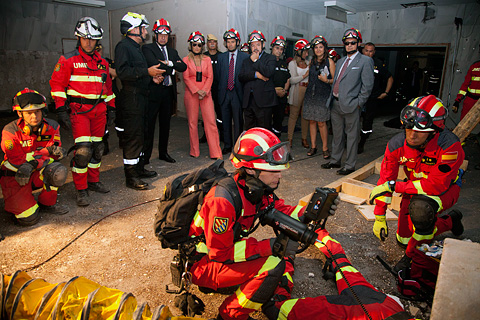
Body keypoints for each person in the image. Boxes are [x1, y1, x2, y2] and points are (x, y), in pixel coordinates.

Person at [188, 127, 305, 320]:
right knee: (273, 264)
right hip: (203, 263)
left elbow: (280, 209)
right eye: (273, 170)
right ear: (251, 168)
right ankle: (230, 314)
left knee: (280, 259)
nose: (280, 175)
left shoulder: (253, 188)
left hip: (219, 255)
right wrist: (271, 246)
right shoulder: (223, 201)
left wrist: (311, 212)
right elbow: (220, 253)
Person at [369, 95, 465, 272]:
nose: (412, 135)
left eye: (419, 131)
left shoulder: (450, 146)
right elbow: (385, 179)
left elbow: (437, 185)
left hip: (444, 190)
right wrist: (380, 215)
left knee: (421, 212)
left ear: (435, 130)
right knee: (403, 239)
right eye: (408, 129)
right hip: (413, 188)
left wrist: (395, 186)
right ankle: (450, 221)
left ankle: (413, 258)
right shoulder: (396, 145)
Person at [263, 229, 411, 320]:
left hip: (389, 306)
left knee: (342, 264)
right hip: (366, 313)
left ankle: (318, 233)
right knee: (275, 307)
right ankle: (286, 255)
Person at [50, 17, 115, 206]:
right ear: (78, 38)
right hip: (80, 112)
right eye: (85, 38)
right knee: (83, 152)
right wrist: (61, 109)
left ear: (97, 41)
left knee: (98, 150)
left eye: (93, 39)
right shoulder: (68, 60)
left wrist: (111, 108)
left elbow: (109, 89)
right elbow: (57, 85)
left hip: (99, 112)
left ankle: (94, 181)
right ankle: (81, 189)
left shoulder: (102, 63)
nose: (89, 42)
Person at [1, 88, 68, 226]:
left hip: (35, 172)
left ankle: (46, 203)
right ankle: (21, 204)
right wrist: (45, 152)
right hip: (16, 176)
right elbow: (16, 159)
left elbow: (53, 155)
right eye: (29, 113)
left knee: (57, 170)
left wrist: (32, 162)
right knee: (29, 220)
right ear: (20, 113)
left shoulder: (52, 126)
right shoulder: (10, 131)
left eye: (37, 112)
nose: (34, 117)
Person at [115, 12, 165, 190]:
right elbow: (123, 72)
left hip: (142, 97)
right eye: (143, 28)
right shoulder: (123, 47)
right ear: (133, 29)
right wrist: (147, 72)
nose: (145, 31)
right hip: (131, 99)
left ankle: (139, 167)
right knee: (133, 137)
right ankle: (131, 177)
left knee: (143, 133)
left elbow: (138, 72)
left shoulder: (137, 48)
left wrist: (152, 78)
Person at [321, 28, 374, 175]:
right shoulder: (340, 61)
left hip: (352, 105)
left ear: (358, 44)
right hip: (336, 103)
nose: (350, 45)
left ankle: (350, 165)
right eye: (347, 43)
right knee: (337, 135)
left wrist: (358, 103)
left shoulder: (365, 61)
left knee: (352, 137)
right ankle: (335, 160)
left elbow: (367, 86)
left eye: (353, 43)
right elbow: (337, 80)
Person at [142, 18, 187, 165]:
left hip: (168, 93)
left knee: (165, 125)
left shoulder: (173, 51)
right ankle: (146, 155)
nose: (163, 37)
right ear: (155, 35)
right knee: (149, 125)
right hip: (153, 92)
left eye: (166, 34)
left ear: (168, 35)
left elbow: (184, 67)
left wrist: (170, 65)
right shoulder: (148, 48)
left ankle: (163, 153)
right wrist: (173, 70)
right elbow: (156, 66)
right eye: (160, 34)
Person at [182, 31, 222, 159]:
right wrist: (196, 90)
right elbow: (186, 78)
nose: (197, 47)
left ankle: (215, 152)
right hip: (191, 94)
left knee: (211, 122)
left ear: (202, 46)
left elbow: (210, 76)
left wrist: (204, 90)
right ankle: (194, 151)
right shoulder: (185, 60)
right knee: (192, 123)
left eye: (199, 45)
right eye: (195, 45)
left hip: (206, 94)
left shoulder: (207, 59)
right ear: (191, 45)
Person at [216, 28, 249, 155]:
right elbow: (218, 76)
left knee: (238, 121)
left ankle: (238, 146)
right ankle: (228, 145)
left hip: (237, 94)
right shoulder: (221, 57)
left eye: (232, 42)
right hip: (224, 93)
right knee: (225, 121)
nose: (230, 44)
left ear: (237, 42)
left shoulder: (244, 57)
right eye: (228, 42)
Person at [358, 42, 394, 154]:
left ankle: (361, 143)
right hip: (358, 97)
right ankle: (349, 141)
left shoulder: (378, 64)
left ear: (374, 52)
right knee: (352, 120)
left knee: (367, 123)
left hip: (372, 98)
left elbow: (390, 78)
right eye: (366, 50)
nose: (368, 53)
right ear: (362, 51)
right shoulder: (357, 61)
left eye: (371, 51)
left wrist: (386, 93)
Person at [303, 35, 335, 159]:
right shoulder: (312, 62)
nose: (318, 50)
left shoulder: (330, 61)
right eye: (316, 47)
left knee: (321, 123)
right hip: (311, 95)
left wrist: (326, 80)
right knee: (311, 121)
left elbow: (335, 80)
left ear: (325, 48)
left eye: (320, 47)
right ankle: (313, 146)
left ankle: (325, 148)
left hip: (322, 96)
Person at [239, 30, 277, 130]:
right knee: (249, 130)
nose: (255, 48)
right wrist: (255, 75)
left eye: (258, 45)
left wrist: (256, 60)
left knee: (264, 130)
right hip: (249, 100)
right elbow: (241, 76)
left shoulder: (270, 58)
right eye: (253, 45)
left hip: (264, 101)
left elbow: (268, 72)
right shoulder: (246, 60)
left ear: (263, 44)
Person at [287, 39, 310, 149]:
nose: (307, 54)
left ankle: (304, 138)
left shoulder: (308, 63)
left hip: (307, 90)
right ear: (299, 52)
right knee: (293, 116)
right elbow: (291, 80)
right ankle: (289, 138)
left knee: (305, 116)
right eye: (305, 51)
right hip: (297, 90)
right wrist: (304, 76)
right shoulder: (292, 63)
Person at [202, 34, 223, 143]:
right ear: (207, 44)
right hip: (206, 89)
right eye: (210, 42)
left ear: (217, 44)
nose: (212, 44)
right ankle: (206, 135)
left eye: (214, 42)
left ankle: (223, 135)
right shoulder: (204, 56)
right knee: (206, 113)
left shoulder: (221, 56)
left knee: (220, 113)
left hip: (218, 89)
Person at [270, 36, 291, 138]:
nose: (279, 51)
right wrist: (274, 91)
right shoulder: (267, 62)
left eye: (281, 49)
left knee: (279, 120)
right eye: (277, 48)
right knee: (268, 120)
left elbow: (288, 78)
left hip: (282, 96)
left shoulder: (284, 64)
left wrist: (285, 90)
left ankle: (276, 140)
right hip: (269, 95)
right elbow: (265, 79)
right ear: (272, 48)